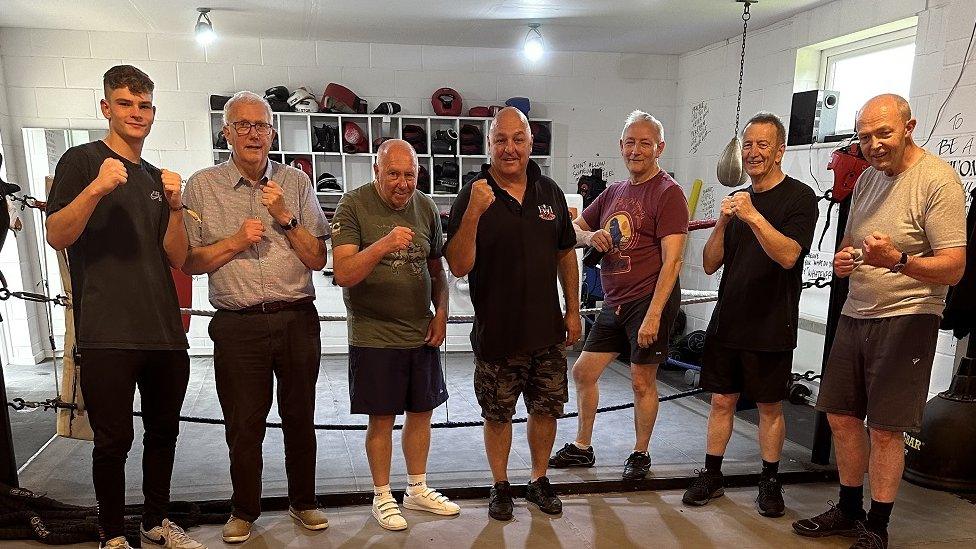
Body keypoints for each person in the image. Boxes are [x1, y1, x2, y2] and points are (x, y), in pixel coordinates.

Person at [793, 94, 966, 549]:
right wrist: (844, 259)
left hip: (908, 316)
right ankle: (848, 509)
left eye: (883, 133)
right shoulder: (868, 179)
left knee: (885, 427)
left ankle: (878, 524)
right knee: (841, 417)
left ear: (909, 126)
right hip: (856, 313)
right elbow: (851, 241)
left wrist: (900, 260)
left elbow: (954, 267)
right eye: (865, 136)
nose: (873, 144)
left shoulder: (938, 181)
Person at [45, 65, 205, 549]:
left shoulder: (156, 178)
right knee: (113, 442)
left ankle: (154, 521)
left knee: (163, 434)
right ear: (106, 108)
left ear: (153, 113)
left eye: (144, 106)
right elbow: (56, 235)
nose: (136, 113)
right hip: (107, 331)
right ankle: (112, 533)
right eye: (125, 104)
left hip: (162, 330)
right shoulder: (81, 161)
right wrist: (96, 187)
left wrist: (176, 207)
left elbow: (178, 256)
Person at [182, 91, 330, 544]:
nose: (252, 133)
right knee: (243, 424)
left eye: (260, 125)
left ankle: (303, 501)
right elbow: (190, 261)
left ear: (272, 132)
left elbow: (318, 257)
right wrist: (234, 242)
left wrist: (285, 217)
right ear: (226, 132)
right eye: (242, 125)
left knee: (300, 418)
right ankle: (244, 509)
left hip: (296, 317)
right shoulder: (202, 186)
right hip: (238, 324)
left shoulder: (297, 184)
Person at [445, 107, 581, 521]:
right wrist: (472, 214)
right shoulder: (474, 192)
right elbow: (458, 265)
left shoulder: (550, 192)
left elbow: (565, 253)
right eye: (500, 140)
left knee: (545, 410)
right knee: (498, 414)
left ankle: (539, 480)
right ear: (489, 145)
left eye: (517, 139)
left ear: (530, 143)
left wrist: (573, 310)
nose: (509, 148)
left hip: (547, 331)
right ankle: (500, 485)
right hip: (498, 332)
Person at [681, 112, 818, 517]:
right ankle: (711, 474)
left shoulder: (799, 198)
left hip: (771, 322)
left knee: (770, 406)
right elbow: (709, 264)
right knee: (721, 400)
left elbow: (789, 255)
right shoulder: (738, 201)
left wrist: (754, 216)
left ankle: (769, 480)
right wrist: (723, 221)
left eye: (762, 145)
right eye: (748, 145)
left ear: (780, 151)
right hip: (728, 321)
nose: (754, 153)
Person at [549, 110, 688, 480]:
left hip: (648, 299)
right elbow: (571, 229)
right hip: (615, 301)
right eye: (630, 142)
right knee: (583, 372)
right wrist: (589, 236)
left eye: (645, 143)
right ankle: (582, 447)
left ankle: (640, 454)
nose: (636, 150)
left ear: (659, 147)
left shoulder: (668, 193)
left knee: (642, 379)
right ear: (620, 146)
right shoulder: (613, 192)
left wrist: (656, 314)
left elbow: (673, 261)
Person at [331, 139, 461, 530]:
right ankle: (383, 495)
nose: (402, 183)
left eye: (409, 174)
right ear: (376, 170)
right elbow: (344, 274)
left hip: (419, 332)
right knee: (382, 418)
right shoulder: (352, 205)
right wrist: (384, 244)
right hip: (374, 334)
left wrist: (442, 315)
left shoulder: (425, 207)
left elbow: (438, 269)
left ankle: (417, 489)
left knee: (422, 413)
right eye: (393, 174)